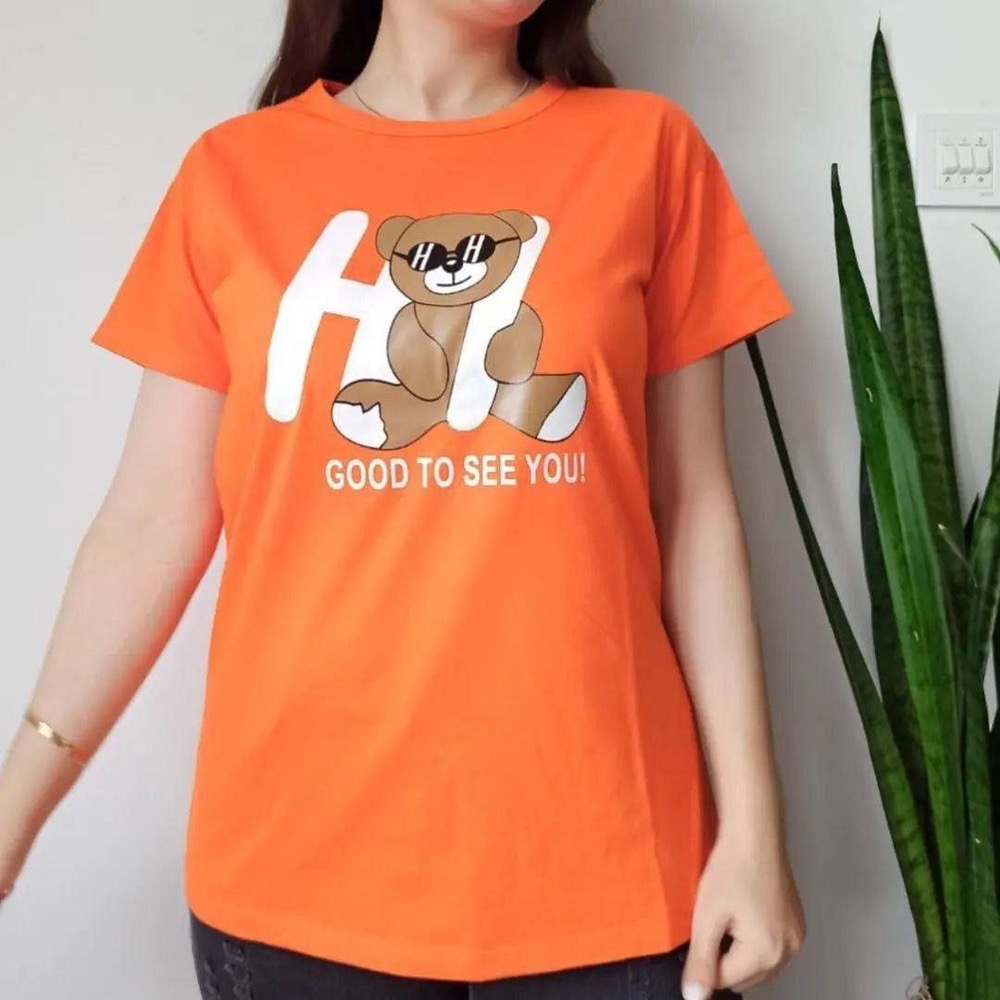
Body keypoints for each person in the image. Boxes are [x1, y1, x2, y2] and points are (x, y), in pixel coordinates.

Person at [0, 1, 806, 997]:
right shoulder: (232, 175)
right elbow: (147, 524)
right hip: (295, 881)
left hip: (611, 877)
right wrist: (14, 812)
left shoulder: (648, 152)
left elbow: (696, 512)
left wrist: (754, 832)